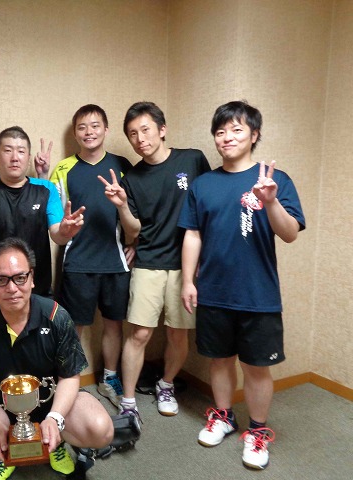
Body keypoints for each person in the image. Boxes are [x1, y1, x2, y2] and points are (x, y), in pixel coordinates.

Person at [178, 100, 305, 470]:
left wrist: (271, 202)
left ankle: (258, 431)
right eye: (220, 131)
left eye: (236, 129)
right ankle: (223, 416)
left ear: (254, 135)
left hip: (258, 294)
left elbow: (290, 233)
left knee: (255, 367)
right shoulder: (203, 184)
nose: (227, 137)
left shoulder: (275, 180)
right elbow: (192, 234)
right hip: (213, 290)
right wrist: (188, 280)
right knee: (219, 360)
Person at [0, 237, 114, 480]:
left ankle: (55, 443)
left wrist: (56, 418)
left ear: (31, 278)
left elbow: (70, 377)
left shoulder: (57, 316)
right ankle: (0, 456)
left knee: (100, 429)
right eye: (1, 279)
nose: (12, 288)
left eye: (20, 277)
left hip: (51, 403)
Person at [98, 101, 211, 418]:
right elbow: (133, 231)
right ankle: (128, 402)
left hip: (185, 265)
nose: (140, 139)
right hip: (148, 261)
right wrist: (122, 205)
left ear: (162, 129)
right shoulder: (132, 179)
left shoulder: (192, 160)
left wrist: (207, 256)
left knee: (178, 333)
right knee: (140, 334)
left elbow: (208, 206)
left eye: (145, 129)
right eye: (132, 133)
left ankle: (166, 384)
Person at [44, 104, 132, 408]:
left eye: (95, 126)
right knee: (73, 328)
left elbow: (135, 213)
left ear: (106, 129)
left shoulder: (122, 165)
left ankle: (110, 378)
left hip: (116, 262)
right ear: (75, 133)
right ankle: (70, 382)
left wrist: (136, 243)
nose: (89, 132)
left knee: (114, 324)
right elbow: (54, 219)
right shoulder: (63, 168)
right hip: (77, 262)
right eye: (82, 127)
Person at [0, 126, 84, 299]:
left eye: (21, 151)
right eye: (8, 150)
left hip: (36, 288)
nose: (15, 158)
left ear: (28, 158)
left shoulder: (46, 189)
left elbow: (58, 235)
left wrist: (66, 232)